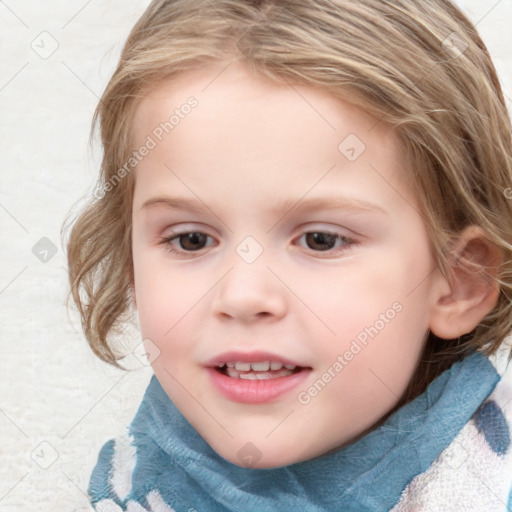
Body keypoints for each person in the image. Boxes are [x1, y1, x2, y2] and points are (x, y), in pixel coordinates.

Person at [66, 0, 512, 510]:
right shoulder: (130, 484)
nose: (243, 295)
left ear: (460, 279)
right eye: (191, 239)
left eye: (321, 240)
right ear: (130, 267)